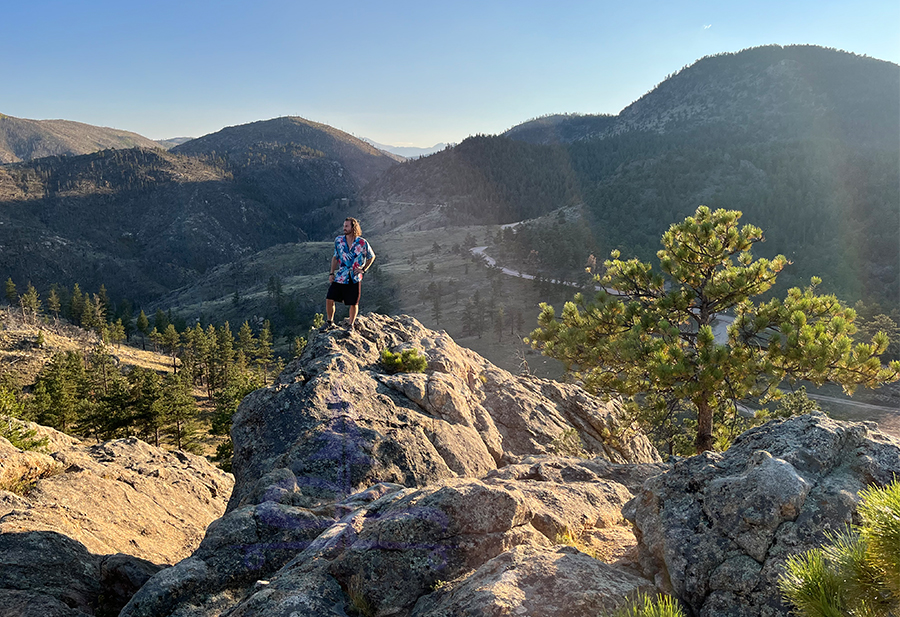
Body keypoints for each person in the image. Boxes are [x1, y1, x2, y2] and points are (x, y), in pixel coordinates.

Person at [322, 217, 375, 331]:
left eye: (346, 226)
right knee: (330, 297)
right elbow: (335, 257)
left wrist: (363, 269)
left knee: (353, 302)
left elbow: (371, 256)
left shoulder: (362, 242)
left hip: (354, 276)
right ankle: (329, 322)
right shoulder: (339, 241)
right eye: (344, 226)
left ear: (353, 227)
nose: (344, 228)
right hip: (341, 275)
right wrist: (331, 273)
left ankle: (350, 325)